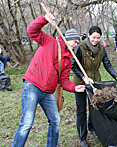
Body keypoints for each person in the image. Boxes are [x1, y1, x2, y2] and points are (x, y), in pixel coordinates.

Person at [12, 13, 85, 147]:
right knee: (27, 122)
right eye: (75, 41)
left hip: (48, 93)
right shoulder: (49, 41)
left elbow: (63, 81)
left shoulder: (68, 60)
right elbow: (31, 31)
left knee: (55, 120)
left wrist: (74, 87)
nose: (76, 45)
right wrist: (44, 19)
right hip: (33, 86)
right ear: (68, 39)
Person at [71, 26, 117, 147]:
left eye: (98, 38)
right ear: (88, 35)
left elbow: (107, 64)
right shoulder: (80, 47)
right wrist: (84, 78)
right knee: (81, 111)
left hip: (95, 82)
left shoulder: (101, 48)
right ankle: (82, 137)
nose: (95, 40)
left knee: (94, 108)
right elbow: (74, 66)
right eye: (93, 37)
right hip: (81, 83)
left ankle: (93, 129)